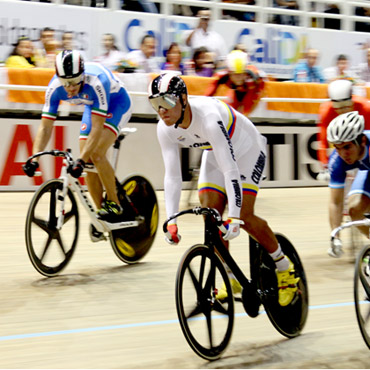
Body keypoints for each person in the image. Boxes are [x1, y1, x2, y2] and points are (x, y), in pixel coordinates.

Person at [148, 73, 300, 306]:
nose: (162, 110)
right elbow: (172, 176)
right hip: (217, 153)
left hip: (247, 150)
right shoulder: (164, 128)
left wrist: (236, 218)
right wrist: (170, 219)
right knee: (210, 214)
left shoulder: (207, 117)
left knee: (246, 216)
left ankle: (284, 267)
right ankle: (230, 277)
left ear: (184, 98)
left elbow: (230, 170)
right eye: (155, 104)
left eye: (167, 102)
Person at [22, 50, 132, 241]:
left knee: (96, 154)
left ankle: (115, 203)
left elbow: (97, 128)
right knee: (85, 157)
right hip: (92, 105)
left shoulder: (97, 81)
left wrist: (80, 161)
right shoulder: (55, 87)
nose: (70, 89)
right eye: (65, 83)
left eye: (74, 82)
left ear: (82, 75)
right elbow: (45, 128)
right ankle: (100, 217)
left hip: (117, 103)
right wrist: (34, 157)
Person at [327, 111, 370, 257]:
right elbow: (336, 202)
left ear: (362, 140)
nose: (342, 154)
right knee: (354, 209)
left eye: (347, 147)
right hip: (367, 171)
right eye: (337, 147)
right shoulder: (337, 160)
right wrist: (335, 236)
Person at [317, 79, 370, 166]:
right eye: (338, 107)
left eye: (346, 106)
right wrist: (324, 164)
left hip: (362, 146)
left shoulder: (365, 107)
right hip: (344, 150)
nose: (343, 111)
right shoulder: (326, 111)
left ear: (351, 99)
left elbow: (369, 136)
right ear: (332, 103)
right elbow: (322, 142)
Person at [205, 50, 265, 115]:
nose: (238, 78)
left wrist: (244, 115)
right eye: (235, 74)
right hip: (237, 89)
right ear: (229, 73)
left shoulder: (251, 80)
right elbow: (208, 95)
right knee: (227, 112)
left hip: (256, 89)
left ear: (245, 73)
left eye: (241, 74)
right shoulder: (222, 75)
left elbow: (248, 104)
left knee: (243, 114)